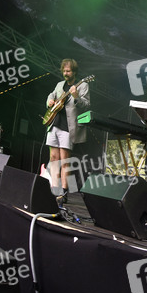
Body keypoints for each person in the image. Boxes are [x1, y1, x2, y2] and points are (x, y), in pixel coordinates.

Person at [46, 59, 89, 203]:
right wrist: (50, 101)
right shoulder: (60, 85)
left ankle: (63, 192)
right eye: (64, 71)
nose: (65, 73)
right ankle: (54, 189)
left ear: (74, 72)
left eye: (68, 71)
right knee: (53, 158)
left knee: (65, 160)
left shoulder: (83, 85)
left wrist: (76, 96)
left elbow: (86, 105)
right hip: (54, 123)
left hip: (68, 127)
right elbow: (51, 95)